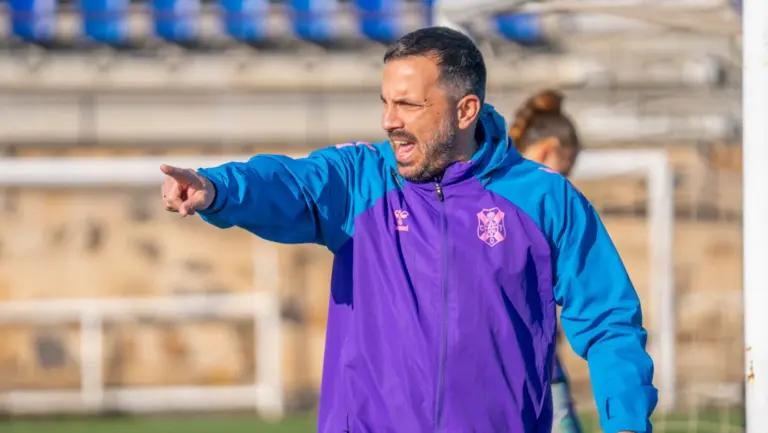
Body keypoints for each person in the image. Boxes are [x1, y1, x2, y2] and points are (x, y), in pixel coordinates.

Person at [159, 27, 657, 433]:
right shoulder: (361, 179)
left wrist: (627, 425)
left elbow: (610, 322)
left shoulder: (545, 200)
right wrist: (218, 187)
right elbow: (291, 183)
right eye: (386, 102)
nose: (389, 121)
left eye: (409, 106)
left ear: (466, 111)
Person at [509, 89, 583, 433]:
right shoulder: (539, 204)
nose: (565, 183)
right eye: (564, 171)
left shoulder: (481, 195)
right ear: (547, 151)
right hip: (530, 375)